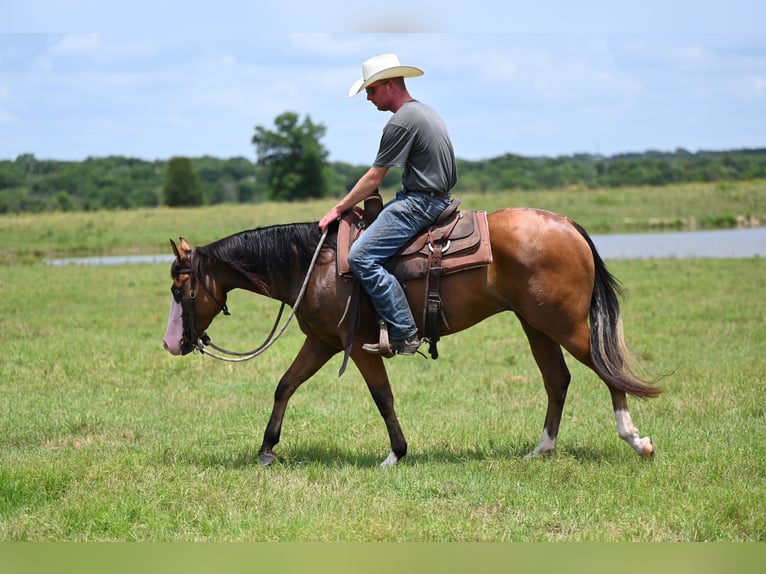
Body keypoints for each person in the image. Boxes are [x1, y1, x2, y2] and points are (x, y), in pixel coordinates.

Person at [318, 53, 458, 356]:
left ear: (390, 85)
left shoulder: (402, 121)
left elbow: (374, 177)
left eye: (371, 90)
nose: (368, 98)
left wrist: (339, 208)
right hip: (435, 198)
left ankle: (405, 332)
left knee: (361, 257)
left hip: (420, 203)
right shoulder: (425, 111)